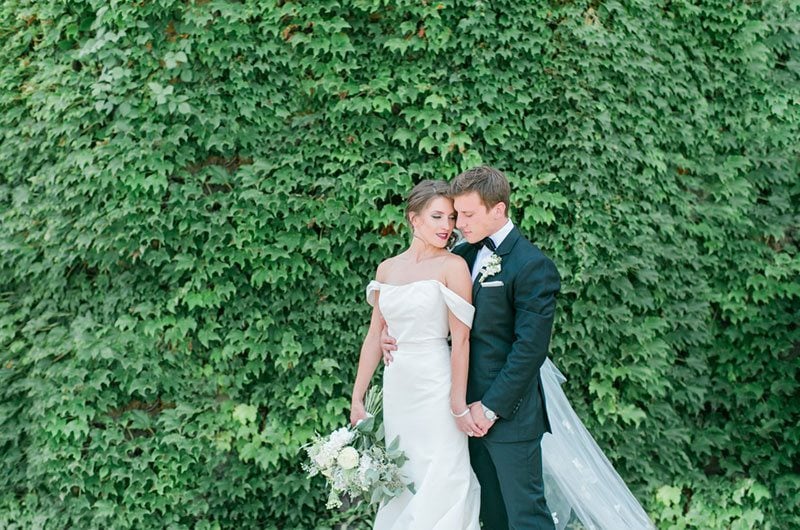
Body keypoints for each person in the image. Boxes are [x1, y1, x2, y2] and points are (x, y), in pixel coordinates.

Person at [381, 167, 656, 530]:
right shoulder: (458, 257)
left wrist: (490, 408)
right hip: (455, 414)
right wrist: (395, 334)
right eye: (456, 214)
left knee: (525, 516)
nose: (458, 223)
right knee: (486, 515)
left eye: (467, 214)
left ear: (498, 210)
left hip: (507, 415)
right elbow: (434, 314)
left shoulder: (533, 266)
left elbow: (529, 349)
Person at [349, 180, 481, 529]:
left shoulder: (453, 267)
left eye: (451, 218)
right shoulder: (387, 269)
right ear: (413, 219)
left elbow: (462, 340)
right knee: (404, 473)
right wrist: (357, 396)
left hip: (436, 384)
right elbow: (375, 335)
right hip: (398, 386)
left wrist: (457, 402)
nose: (446, 226)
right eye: (437, 216)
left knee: (442, 473)